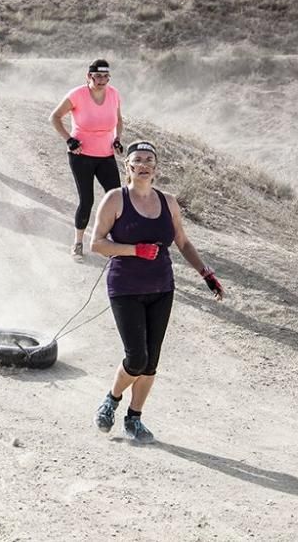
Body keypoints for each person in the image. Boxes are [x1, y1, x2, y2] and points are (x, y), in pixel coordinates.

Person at [90, 140, 225, 444]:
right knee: (136, 358)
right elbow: (96, 243)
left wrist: (206, 274)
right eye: (138, 159)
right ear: (128, 167)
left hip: (162, 288)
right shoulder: (115, 200)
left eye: (150, 159)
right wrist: (134, 250)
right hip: (125, 288)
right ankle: (111, 399)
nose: (145, 164)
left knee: (151, 362)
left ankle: (134, 419)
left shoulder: (169, 202)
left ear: (156, 167)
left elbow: (183, 242)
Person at [49, 59, 124, 258]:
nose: (102, 80)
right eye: (98, 76)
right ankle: (78, 242)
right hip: (81, 155)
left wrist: (117, 139)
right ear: (89, 76)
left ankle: (115, 240)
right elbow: (54, 117)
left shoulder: (114, 94)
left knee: (117, 198)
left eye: (106, 76)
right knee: (87, 200)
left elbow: (119, 120)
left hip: (106, 155)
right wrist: (69, 140)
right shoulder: (78, 95)